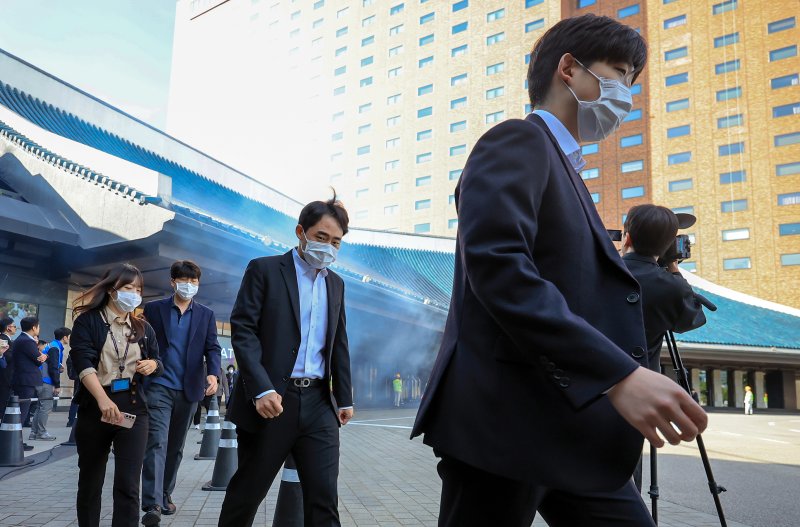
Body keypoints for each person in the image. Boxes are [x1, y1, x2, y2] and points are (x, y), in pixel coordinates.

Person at [411, 14, 708, 527]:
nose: (627, 95)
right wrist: (618, 375)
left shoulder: (566, 167)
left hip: (566, 422)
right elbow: (501, 269)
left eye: (632, 82)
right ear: (569, 69)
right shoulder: (517, 142)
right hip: (504, 423)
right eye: (618, 72)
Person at [219, 196, 354, 527]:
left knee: (324, 498)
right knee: (248, 492)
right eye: (321, 237)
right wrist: (261, 388)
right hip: (273, 401)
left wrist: (345, 397)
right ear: (300, 232)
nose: (328, 247)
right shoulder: (264, 270)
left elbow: (338, 343)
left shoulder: (336, 283)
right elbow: (244, 331)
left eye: (336, 242)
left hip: (320, 403)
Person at [620, 204, 707, 491]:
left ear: (627, 237)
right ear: (670, 245)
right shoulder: (671, 286)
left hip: (593, 384)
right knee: (625, 474)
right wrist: (673, 267)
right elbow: (691, 319)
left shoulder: (598, 272)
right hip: (640, 391)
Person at [69, 263, 163, 527]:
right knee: (90, 480)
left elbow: (158, 359)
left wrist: (153, 365)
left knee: (128, 483)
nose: (134, 293)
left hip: (132, 406)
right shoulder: (88, 321)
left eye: (138, 289)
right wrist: (102, 400)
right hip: (96, 404)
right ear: (112, 290)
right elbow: (82, 363)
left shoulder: (142, 327)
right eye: (128, 288)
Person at [140, 260, 222, 525]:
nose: (189, 286)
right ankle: (151, 503)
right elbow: (140, 341)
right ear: (172, 282)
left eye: (194, 282)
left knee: (175, 447)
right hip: (158, 385)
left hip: (189, 388)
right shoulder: (153, 309)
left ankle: (165, 494)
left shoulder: (206, 314)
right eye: (184, 281)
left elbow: (213, 348)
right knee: (157, 442)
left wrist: (213, 373)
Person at [30, 327, 72, 441]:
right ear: (65, 337)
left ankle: (34, 433)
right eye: (69, 336)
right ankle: (41, 433)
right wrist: (57, 385)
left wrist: (58, 367)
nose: (69, 339)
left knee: (40, 407)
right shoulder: (55, 347)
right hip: (46, 381)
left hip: (40, 380)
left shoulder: (52, 345)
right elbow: (53, 368)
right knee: (45, 408)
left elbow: (52, 364)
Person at [11, 317, 47, 437]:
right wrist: (44, 356)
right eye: (39, 326)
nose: (39, 329)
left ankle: (16, 440)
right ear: (34, 327)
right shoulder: (27, 341)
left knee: (21, 411)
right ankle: (16, 441)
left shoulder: (22, 339)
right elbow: (38, 360)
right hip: (25, 381)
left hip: (22, 380)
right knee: (22, 412)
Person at [0, 317, 30, 450]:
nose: (15, 328)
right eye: (13, 326)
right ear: (8, 327)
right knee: (3, 407)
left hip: (7, 378)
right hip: (5, 379)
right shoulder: (4, 339)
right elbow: (7, 358)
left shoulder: (8, 340)